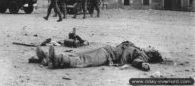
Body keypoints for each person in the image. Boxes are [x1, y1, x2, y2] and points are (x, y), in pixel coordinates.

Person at [34, 41, 163, 71]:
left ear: (151, 53)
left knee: (84, 60)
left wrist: (142, 64)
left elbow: (137, 61)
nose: (150, 46)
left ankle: (57, 60)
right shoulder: (136, 47)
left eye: (152, 48)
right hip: (105, 49)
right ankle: (46, 57)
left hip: (108, 56)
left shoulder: (142, 56)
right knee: (77, 53)